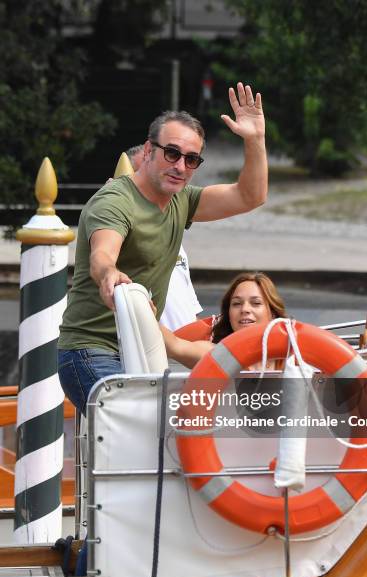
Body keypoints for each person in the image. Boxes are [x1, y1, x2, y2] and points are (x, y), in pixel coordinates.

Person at [58, 82, 268, 415]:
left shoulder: (180, 200)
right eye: (172, 153)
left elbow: (250, 196)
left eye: (191, 159)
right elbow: (102, 254)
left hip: (138, 347)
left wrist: (255, 140)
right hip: (91, 350)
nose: (181, 166)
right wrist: (108, 274)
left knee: (154, 447)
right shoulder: (116, 201)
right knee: (140, 438)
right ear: (149, 150)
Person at [126, 146, 202, 330]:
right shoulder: (120, 234)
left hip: (183, 351)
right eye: (138, 175)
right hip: (154, 353)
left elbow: (188, 309)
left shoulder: (172, 233)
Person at [161, 272, 287, 369]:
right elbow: (174, 346)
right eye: (237, 303)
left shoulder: (292, 354)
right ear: (229, 314)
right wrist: (144, 309)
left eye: (256, 303)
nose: (245, 309)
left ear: (273, 313)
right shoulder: (218, 354)